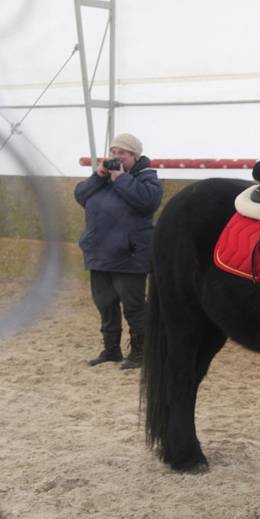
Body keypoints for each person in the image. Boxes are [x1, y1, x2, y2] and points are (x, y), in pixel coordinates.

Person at [74, 133, 163, 370]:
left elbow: (148, 202)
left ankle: (141, 352)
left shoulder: (147, 178)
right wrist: (99, 175)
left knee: (133, 306)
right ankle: (111, 349)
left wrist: (121, 178)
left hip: (129, 254)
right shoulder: (102, 179)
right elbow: (80, 195)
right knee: (105, 303)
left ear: (134, 155)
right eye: (113, 152)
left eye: (121, 153)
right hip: (100, 253)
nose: (116, 157)